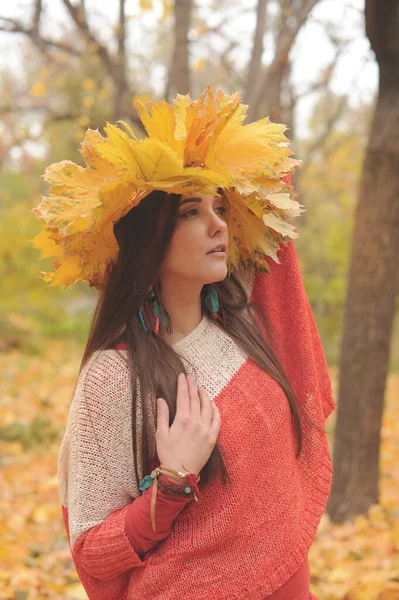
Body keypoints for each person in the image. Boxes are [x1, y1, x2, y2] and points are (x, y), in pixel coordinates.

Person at [31, 85, 335, 600]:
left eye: (220, 207)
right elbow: (91, 550)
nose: (219, 224)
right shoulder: (113, 376)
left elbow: (275, 245)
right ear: (149, 240)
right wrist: (172, 483)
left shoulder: (246, 326)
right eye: (190, 212)